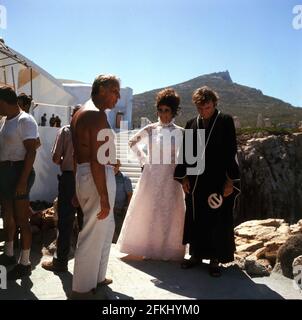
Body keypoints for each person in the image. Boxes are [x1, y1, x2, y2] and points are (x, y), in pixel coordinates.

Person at [174, 86, 240, 277]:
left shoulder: (225, 121)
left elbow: (231, 151)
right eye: (200, 108)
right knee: (196, 216)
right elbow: (185, 153)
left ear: (214, 103)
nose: (204, 112)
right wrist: (183, 177)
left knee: (217, 218)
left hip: (218, 180)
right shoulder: (191, 123)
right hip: (195, 181)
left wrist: (230, 181)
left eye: (208, 107)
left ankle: (215, 259)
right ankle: (195, 255)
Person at [117, 88, 186, 261]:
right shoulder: (151, 129)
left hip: (171, 176)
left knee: (169, 211)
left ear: (174, 111)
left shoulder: (181, 132)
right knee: (148, 208)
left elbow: (185, 156)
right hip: (152, 174)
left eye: (167, 110)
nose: (163, 114)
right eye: (160, 110)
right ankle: (145, 247)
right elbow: (132, 142)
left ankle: (167, 249)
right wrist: (144, 160)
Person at [70, 74, 120, 299]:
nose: (117, 97)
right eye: (114, 91)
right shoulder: (95, 115)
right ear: (101, 89)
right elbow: (96, 161)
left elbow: (79, 154)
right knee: (93, 231)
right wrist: (104, 196)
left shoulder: (81, 113)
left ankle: (98, 277)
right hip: (95, 176)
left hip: (87, 175)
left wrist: (75, 187)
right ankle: (81, 288)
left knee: (105, 229)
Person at [0, 86, 39, 279]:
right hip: (6, 172)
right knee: (8, 216)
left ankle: (25, 262)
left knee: (22, 219)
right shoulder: (5, 121)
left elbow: (32, 151)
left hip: (19, 172)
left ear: (3, 102)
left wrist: (22, 181)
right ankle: (8, 254)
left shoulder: (25, 120)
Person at [41, 105, 83, 273]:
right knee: (85, 223)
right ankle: (86, 266)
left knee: (65, 221)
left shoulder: (66, 131)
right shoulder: (92, 130)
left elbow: (55, 158)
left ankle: (60, 262)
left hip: (69, 179)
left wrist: (66, 158)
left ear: (72, 115)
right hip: (89, 179)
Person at [112, 159, 133, 243]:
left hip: (118, 209)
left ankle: (119, 243)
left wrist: (128, 208)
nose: (113, 167)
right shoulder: (106, 177)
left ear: (118, 166)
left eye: (116, 165)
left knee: (119, 228)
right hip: (108, 208)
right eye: (112, 165)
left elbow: (129, 194)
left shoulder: (125, 179)